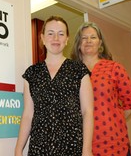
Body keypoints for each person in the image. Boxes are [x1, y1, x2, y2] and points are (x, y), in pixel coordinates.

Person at [15, 16, 94, 156]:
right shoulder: (31, 74)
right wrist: (18, 149)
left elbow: (87, 112)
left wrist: (86, 151)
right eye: (50, 33)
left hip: (72, 147)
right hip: (39, 148)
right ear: (43, 38)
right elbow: (28, 115)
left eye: (61, 33)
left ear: (67, 39)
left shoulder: (79, 70)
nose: (56, 38)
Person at [71, 22, 131, 156]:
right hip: (81, 145)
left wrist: (113, 119)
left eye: (93, 37)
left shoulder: (114, 68)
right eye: (84, 38)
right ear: (78, 44)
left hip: (113, 144)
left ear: (100, 43)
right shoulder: (70, 73)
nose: (88, 41)